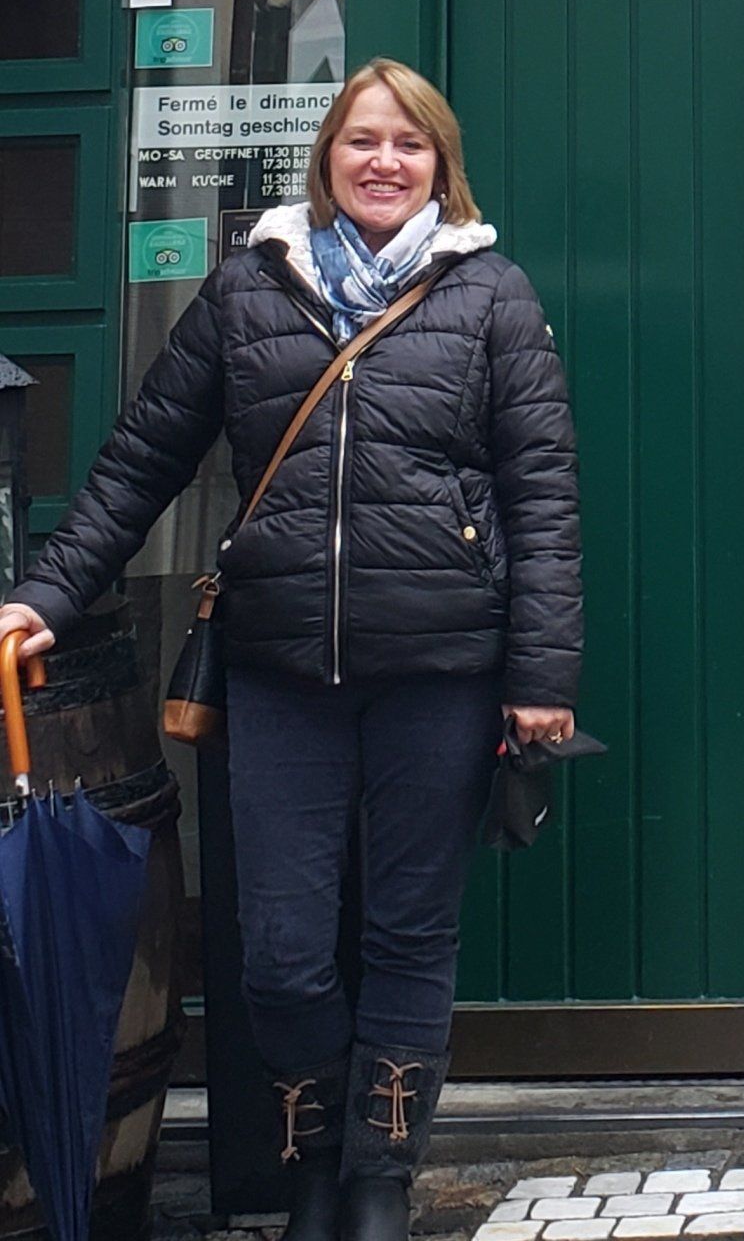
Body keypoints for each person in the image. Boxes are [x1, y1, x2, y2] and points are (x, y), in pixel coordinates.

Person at [0, 61, 583, 1241]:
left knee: (410, 935)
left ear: (440, 163)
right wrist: (48, 591)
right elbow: (142, 458)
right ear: (326, 156)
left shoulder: (493, 297)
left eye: (408, 145)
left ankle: (375, 1180)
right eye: (363, 139)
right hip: (278, 672)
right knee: (279, 951)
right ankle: (309, 1157)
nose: (383, 160)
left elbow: (543, 496)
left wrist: (541, 677)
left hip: (443, 668)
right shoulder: (249, 292)